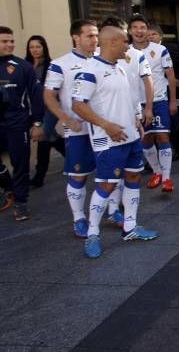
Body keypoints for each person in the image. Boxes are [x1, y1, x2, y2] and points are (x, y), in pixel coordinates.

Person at [72, 26, 159, 258]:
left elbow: (127, 98)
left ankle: (130, 227)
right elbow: (77, 105)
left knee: (133, 178)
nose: (127, 46)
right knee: (107, 185)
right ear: (111, 42)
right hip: (109, 141)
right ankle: (92, 234)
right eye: (124, 42)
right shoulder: (90, 70)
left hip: (130, 136)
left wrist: (137, 120)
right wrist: (106, 125)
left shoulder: (119, 66)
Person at [43, 20, 99, 237]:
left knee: (111, 173)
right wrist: (65, 119)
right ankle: (79, 219)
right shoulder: (60, 64)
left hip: (104, 129)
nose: (95, 40)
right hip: (79, 130)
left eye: (96, 35)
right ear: (76, 37)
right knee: (78, 176)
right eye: (90, 36)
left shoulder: (103, 59)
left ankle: (113, 211)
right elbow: (49, 95)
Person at [129, 15, 178, 192]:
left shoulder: (160, 49)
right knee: (146, 139)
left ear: (147, 30)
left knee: (163, 136)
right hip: (137, 104)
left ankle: (166, 178)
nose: (139, 31)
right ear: (130, 31)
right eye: (135, 27)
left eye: (142, 27)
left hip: (159, 100)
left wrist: (173, 100)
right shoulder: (125, 52)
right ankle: (156, 171)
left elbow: (170, 76)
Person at [0, 27, 44, 221]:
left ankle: (21, 202)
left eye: (11, 41)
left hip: (17, 123)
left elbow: (36, 97)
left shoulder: (23, 66)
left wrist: (37, 122)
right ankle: (8, 186)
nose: (9, 44)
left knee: (19, 162)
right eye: (4, 41)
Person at [26, 35, 65, 188]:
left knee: (43, 136)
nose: (35, 50)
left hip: (51, 107)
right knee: (51, 136)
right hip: (34, 109)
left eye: (38, 46)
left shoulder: (51, 65)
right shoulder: (25, 65)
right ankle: (71, 157)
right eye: (31, 47)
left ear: (44, 48)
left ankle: (39, 177)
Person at [149, 25, 179, 161]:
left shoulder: (169, 48)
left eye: (153, 34)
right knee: (152, 127)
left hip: (168, 90)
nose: (151, 37)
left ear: (160, 35)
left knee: (173, 122)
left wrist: (178, 79)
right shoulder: (140, 51)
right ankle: (155, 156)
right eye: (149, 34)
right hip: (150, 94)